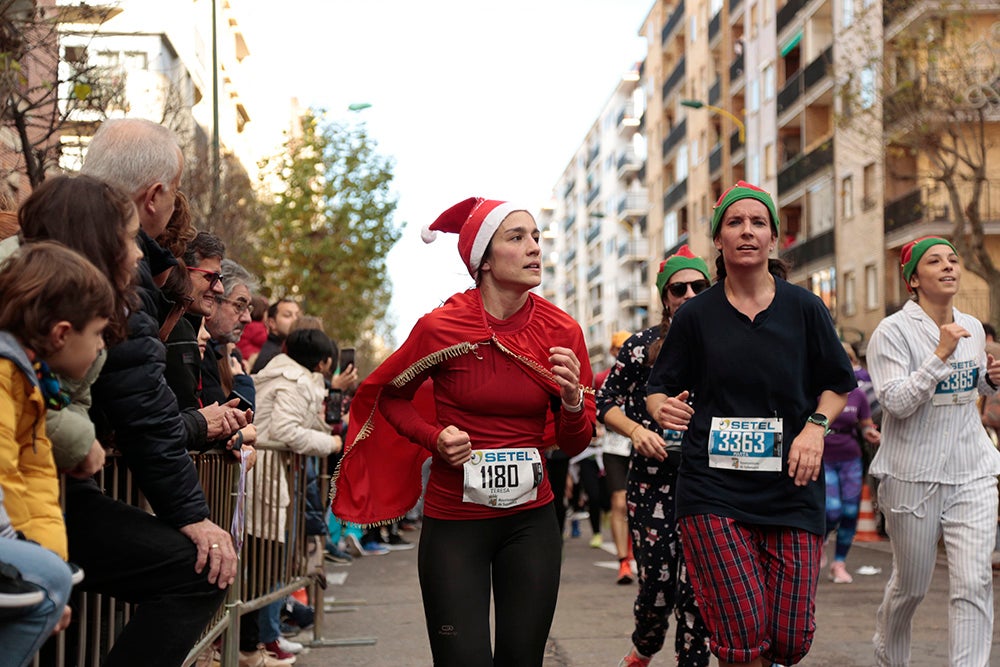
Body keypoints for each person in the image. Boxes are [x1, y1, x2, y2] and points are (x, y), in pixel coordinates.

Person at [332, 196, 596, 666]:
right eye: (517, 237)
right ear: (484, 259)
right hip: (455, 525)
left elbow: (576, 441)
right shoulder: (442, 327)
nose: (535, 247)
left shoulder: (562, 330)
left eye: (536, 236)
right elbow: (389, 397)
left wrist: (573, 399)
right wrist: (435, 439)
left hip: (532, 524)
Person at [40, 123, 240, 665]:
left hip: (42, 483)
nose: (137, 263)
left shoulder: (38, 245)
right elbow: (140, 407)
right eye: (129, 248)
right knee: (193, 573)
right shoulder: (99, 274)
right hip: (39, 486)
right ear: (154, 196)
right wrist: (193, 517)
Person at [646, 181, 856, 667]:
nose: (747, 231)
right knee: (742, 637)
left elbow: (838, 384)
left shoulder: (805, 308)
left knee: (791, 639)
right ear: (718, 241)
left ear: (773, 237)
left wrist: (814, 427)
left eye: (757, 222)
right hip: (712, 489)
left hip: (791, 487)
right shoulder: (696, 316)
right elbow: (658, 387)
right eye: (735, 223)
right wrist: (661, 408)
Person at [866, 236, 1000, 667]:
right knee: (911, 587)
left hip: (972, 470)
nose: (948, 267)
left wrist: (992, 379)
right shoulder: (892, 332)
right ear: (913, 279)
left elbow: (975, 387)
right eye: (934, 261)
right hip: (912, 475)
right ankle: (890, 658)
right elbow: (896, 403)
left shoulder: (974, 327)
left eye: (953, 259)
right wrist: (940, 354)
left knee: (974, 581)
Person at [0, 242, 113, 666]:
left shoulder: (29, 380)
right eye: (99, 333)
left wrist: (50, 573)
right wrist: (37, 580)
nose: (102, 347)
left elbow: (29, 490)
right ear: (62, 333)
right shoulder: (5, 375)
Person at [598, 246, 712, 666]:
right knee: (657, 589)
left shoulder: (730, 341)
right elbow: (605, 400)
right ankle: (644, 646)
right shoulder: (640, 346)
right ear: (665, 297)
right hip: (652, 484)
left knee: (696, 595)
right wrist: (636, 431)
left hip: (710, 480)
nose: (688, 294)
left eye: (699, 286)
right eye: (678, 288)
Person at [244, 327, 343, 664]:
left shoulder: (288, 375)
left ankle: (258, 641)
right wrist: (329, 444)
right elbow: (286, 430)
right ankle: (252, 644)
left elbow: (297, 422)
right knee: (265, 565)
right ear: (324, 361)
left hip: (269, 476)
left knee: (267, 564)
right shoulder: (295, 381)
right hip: (266, 477)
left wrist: (327, 429)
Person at [822, 383, 880, 584]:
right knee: (832, 509)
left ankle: (839, 564)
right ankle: (822, 540)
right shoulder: (816, 391)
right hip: (823, 457)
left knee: (849, 511)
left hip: (850, 459)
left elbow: (865, 424)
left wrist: (869, 432)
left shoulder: (857, 395)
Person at [595, 329, 634, 584]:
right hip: (613, 446)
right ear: (612, 351)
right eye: (619, 349)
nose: (623, 353)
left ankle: (633, 551)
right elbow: (594, 407)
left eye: (627, 348)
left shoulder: (646, 374)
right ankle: (623, 561)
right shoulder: (601, 378)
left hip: (641, 444)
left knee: (636, 504)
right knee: (619, 502)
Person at [250, 299, 302, 374]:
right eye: (287, 315)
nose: (295, 319)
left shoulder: (285, 349)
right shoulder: (272, 357)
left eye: (298, 315)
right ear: (272, 323)